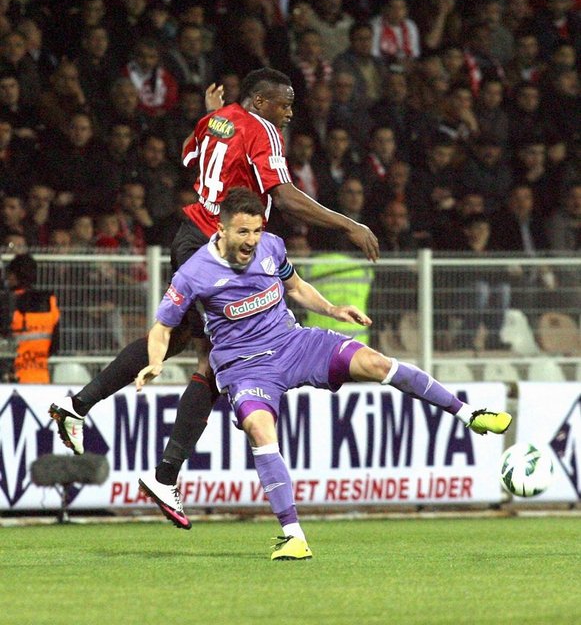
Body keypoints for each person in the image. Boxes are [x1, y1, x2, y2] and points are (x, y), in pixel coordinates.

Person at [135, 188, 512, 558]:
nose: (251, 240)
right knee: (260, 430)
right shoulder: (194, 273)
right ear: (222, 229)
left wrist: (333, 309)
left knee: (378, 364)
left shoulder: (272, 246)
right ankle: (293, 536)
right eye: (243, 232)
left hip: (294, 343)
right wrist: (155, 361)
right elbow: (162, 327)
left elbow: (296, 287)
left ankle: (470, 415)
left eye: (257, 230)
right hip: (245, 366)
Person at [49, 67, 378, 489]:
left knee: (188, 343)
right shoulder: (263, 130)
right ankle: (162, 474)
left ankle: (83, 411)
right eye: (284, 104)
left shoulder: (217, 119)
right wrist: (349, 224)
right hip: (216, 249)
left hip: (194, 235)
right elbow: (284, 196)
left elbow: (189, 155)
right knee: (214, 359)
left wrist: (211, 115)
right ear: (260, 102)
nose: (290, 113)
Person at [6, 253, 60, 383]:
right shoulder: (50, 302)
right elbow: (54, 345)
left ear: (13, 276)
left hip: (12, 379)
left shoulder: (7, 303)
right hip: (41, 379)